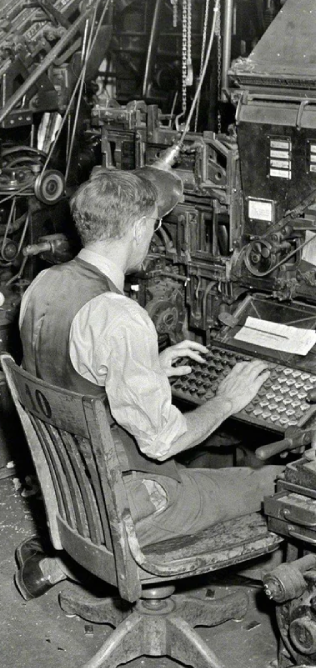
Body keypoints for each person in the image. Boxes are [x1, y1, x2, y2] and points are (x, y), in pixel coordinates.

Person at [15, 167, 282, 598]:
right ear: (140, 227)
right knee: (278, 482)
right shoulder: (119, 317)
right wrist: (226, 401)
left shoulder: (43, 284)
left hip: (68, 492)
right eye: (155, 226)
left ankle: (62, 565)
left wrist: (148, 368)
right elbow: (164, 444)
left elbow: (67, 374)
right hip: (126, 503)